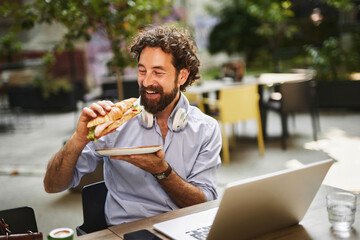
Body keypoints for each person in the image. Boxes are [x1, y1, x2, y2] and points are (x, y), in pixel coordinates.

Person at [43, 24, 222, 226]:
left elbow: (205, 202)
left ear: (182, 76)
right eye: (142, 71)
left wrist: (162, 171)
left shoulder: (206, 129)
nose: (146, 82)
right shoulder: (113, 122)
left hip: (183, 228)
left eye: (158, 72)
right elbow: (53, 185)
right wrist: (78, 139)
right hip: (126, 231)